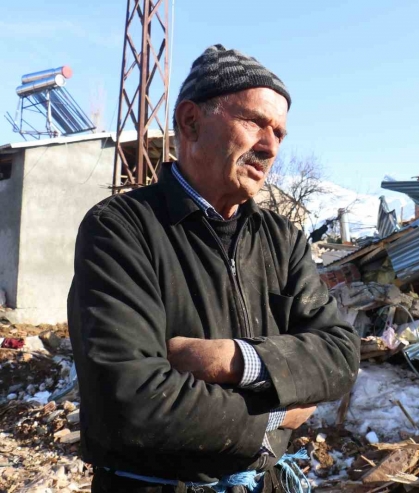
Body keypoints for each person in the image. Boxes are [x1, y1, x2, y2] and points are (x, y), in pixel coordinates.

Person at [67, 44, 360, 493]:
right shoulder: (121, 229)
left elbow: (340, 356)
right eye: (254, 123)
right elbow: (132, 401)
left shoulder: (282, 240)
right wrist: (277, 414)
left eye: (279, 133)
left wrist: (236, 361)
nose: (269, 146)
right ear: (190, 121)